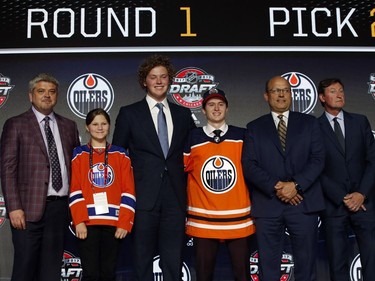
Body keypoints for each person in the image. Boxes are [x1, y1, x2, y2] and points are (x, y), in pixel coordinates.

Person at [112, 54, 196, 280]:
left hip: (176, 197)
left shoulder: (183, 113)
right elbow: (118, 157)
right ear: (144, 82)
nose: (159, 81)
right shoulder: (129, 113)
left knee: (173, 258)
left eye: (163, 77)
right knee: (141, 257)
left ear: (169, 80)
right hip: (142, 197)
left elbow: (192, 154)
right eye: (153, 77)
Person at [241, 76, 325, 281]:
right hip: (268, 204)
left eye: (286, 90)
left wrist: (296, 186)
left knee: (306, 265)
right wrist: (278, 187)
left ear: (291, 94)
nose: (281, 95)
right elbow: (249, 165)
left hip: (303, 203)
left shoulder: (309, 123)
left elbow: (319, 159)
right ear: (266, 95)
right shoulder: (254, 127)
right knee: (268, 266)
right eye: (276, 90)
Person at [0, 73, 80, 281]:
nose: (47, 96)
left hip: (59, 209)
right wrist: (14, 207)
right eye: (41, 91)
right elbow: (8, 169)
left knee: (51, 271)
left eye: (51, 92)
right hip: (26, 210)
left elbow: (76, 167)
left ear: (57, 96)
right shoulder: (15, 124)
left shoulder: (69, 126)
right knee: (25, 268)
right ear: (30, 96)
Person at [184, 88, 255, 281]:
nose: (216, 108)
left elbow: (253, 171)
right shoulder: (192, 138)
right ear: (203, 110)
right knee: (204, 276)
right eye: (211, 104)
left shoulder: (243, 136)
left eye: (221, 104)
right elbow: (180, 173)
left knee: (242, 276)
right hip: (203, 221)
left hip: (238, 219)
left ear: (227, 108)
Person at [317, 78, 375, 281]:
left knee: (371, 260)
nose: (339, 94)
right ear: (322, 98)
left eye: (341, 90)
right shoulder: (313, 128)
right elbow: (316, 168)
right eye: (333, 91)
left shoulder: (360, 121)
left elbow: (372, 160)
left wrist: (361, 194)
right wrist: (342, 197)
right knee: (337, 262)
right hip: (334, 206)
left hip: (364, 204)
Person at [69, 108, 136, 281]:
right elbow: (75, 189)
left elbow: (129, 190)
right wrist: (79, 221)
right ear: (87, 127)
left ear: (110, 126)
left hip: (113, 224)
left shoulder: (121, 154)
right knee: (90, 274)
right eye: (95, 124)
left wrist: (124, 223)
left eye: (104, 124)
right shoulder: (79, 154)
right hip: (88, 224)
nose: (100, 128)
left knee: (108, 273)